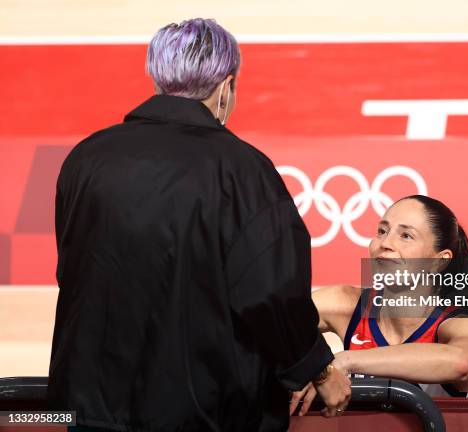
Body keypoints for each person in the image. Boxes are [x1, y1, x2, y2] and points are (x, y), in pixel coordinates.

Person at [49, 18, 350, 432]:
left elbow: (73, 271)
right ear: (226, 87)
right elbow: (271, 294)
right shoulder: (243, 170)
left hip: (92, 408)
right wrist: (317, 369)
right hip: (205, 414)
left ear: (157, 77)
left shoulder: (85, 159)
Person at [290, 195, 468, 416]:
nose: (385, 243)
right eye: (382, 231)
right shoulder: (347, 303)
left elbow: (462, 362)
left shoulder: (462, 324)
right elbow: (270, 318)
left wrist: (340, 362)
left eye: (406, 236)